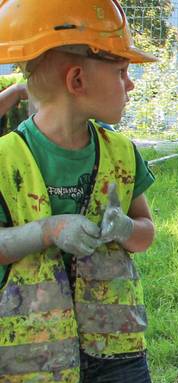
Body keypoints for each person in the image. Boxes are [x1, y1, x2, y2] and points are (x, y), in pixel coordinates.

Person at [0, 1, 157, 382]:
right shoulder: (6, 160)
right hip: (33, 359)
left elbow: (146, 231)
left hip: (117, 353)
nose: (131, 84)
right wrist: (48, 231)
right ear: (77, 81)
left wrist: (125, 230)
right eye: (121, 72)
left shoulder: (121, 153)